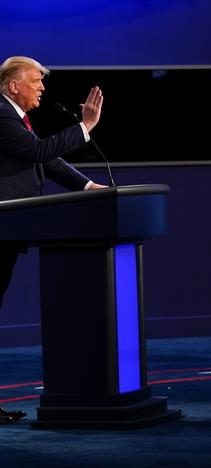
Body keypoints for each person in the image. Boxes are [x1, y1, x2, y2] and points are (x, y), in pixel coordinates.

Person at [0, 56, 107, 424]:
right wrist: (84, 126)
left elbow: (46, 160)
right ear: (14, 86)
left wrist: (87, 184)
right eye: (36, 81)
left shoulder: (14, 118)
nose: (42, 88)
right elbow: (40, 152)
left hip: (8, 231)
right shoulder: (1, 115)